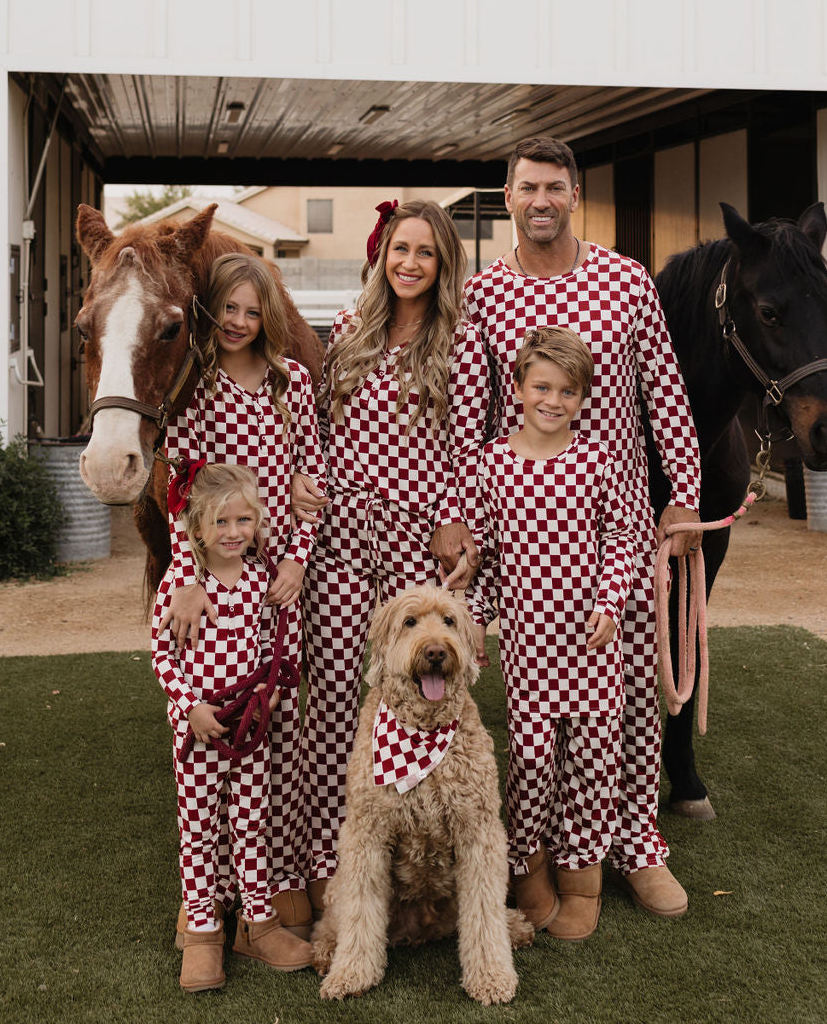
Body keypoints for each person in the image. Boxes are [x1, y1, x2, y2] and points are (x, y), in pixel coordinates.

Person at [432, 135, 702, 918]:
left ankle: (638, 845)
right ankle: (538, 853)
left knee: (625, 693)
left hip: (612, 522)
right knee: (538, 706)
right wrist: (457, 508)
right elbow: (469, 415)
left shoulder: (623, 281)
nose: (542, 200)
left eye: (555, 187)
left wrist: (681, 492)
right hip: (524, 522)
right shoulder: (486, 294)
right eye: (528, 187)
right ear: (508, 196)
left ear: (574, 194)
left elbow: (666, 389)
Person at [292, 199, 491, 911]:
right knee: (335, 703)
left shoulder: (463, 341)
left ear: (443, 265)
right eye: (400, 249)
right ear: (383, 255)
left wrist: (452, 517)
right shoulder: (350, 327)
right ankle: (325, 858)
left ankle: (415, 854)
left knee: (405, 696)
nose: (409, 262)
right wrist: (302, 479)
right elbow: (316, 421)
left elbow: (468, 442)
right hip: (344, 533)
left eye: (425, 252)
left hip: (413, 540)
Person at [159, 252, 328, 939]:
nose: (238, 321)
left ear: (269, 319)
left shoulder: (292, 384)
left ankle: (272, 877)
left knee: (276, 725)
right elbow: (180, 486)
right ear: (211, 310)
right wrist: (188, 577)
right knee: (214, 725)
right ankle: (207, 896)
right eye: (228, 308)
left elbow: (312, 476)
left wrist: (297, 558)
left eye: (251, 311)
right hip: (214, 571)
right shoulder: (195, 385)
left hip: (276, 577)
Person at [461, 327, 634, 941]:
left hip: (592, 647)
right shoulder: (490, 466)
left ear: (583, 397)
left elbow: (622, 541)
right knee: (532, 762)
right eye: (542, 387)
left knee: (593, 761)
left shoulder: (598, 463)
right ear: (518, 388)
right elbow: (480, 557)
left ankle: (583, 876)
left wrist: (611, 601)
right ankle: (527, 863)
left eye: (567, 391)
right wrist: (475, 618)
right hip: (531, 651)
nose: (553, 400)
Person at [151, 463, 314, 991]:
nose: (233, 532)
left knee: (251, 823)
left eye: (244, 520)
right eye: (221, 522)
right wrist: (190, 707)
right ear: (197, 529)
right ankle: (202, 932)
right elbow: (161, 653)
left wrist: (267, 693)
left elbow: (270, 646)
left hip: (250, 729)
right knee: (200, 828)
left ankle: (256, 922)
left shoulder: (259, 578)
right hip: (200, 731)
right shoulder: (183, 585)